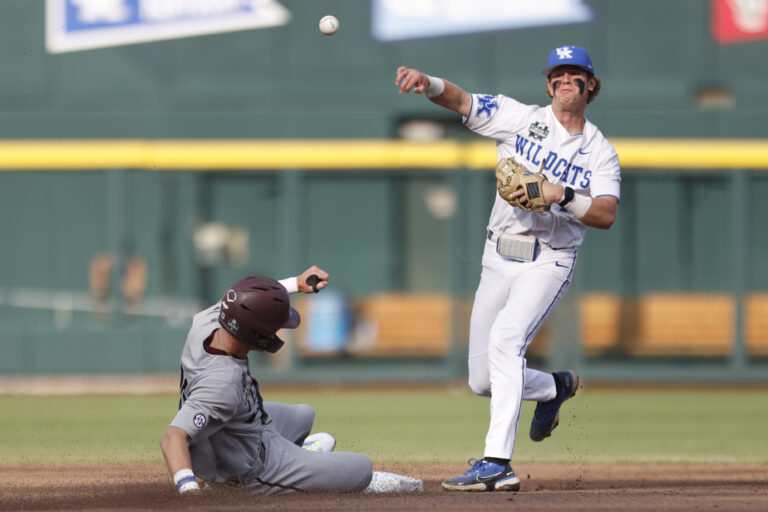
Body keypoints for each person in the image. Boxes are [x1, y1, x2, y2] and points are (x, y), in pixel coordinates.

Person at [395, 45, 620, 491]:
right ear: (548, 84)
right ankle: (555, 388)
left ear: (591, 85)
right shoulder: (520, 118)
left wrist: (561, 194)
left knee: (505, 342)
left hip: (549, 259)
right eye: (557, 75)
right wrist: (428, 83)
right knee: (482, 379)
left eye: (575, 75)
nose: (565, 81)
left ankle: (497, 463)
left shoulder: (600, 151)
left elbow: (607, 213)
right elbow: (460, 100)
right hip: (498, 254)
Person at [160, 266, 422, 495]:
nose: (277, 331)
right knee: (361, 468)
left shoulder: (208, 321)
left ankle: (302, 455)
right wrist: (189, 491)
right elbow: (173, 437)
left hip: (239, 428)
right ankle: (304, 468)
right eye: (274, 327)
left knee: (303, 414)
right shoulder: (222, 383)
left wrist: (295, 284)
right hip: (254, 467)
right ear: (255, 333)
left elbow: (243, 300)